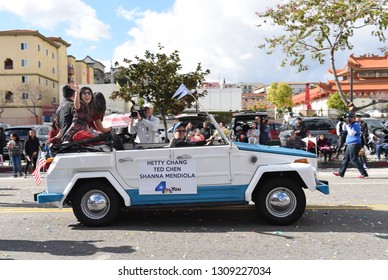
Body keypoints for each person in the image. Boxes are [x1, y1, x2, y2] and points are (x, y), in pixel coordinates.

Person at [333, 113, 368, 178]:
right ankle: (341, 173)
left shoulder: (356, 124)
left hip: (355, 144)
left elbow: (351, 133)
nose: (348, 119)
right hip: (349, 144)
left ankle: (364, 173)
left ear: (353, 118)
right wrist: (344, 122)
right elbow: (344, 129)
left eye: (350, 118)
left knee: (354, 159)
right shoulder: (349, 124)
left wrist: (347, 125)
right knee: (345, 159)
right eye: (347, 118)